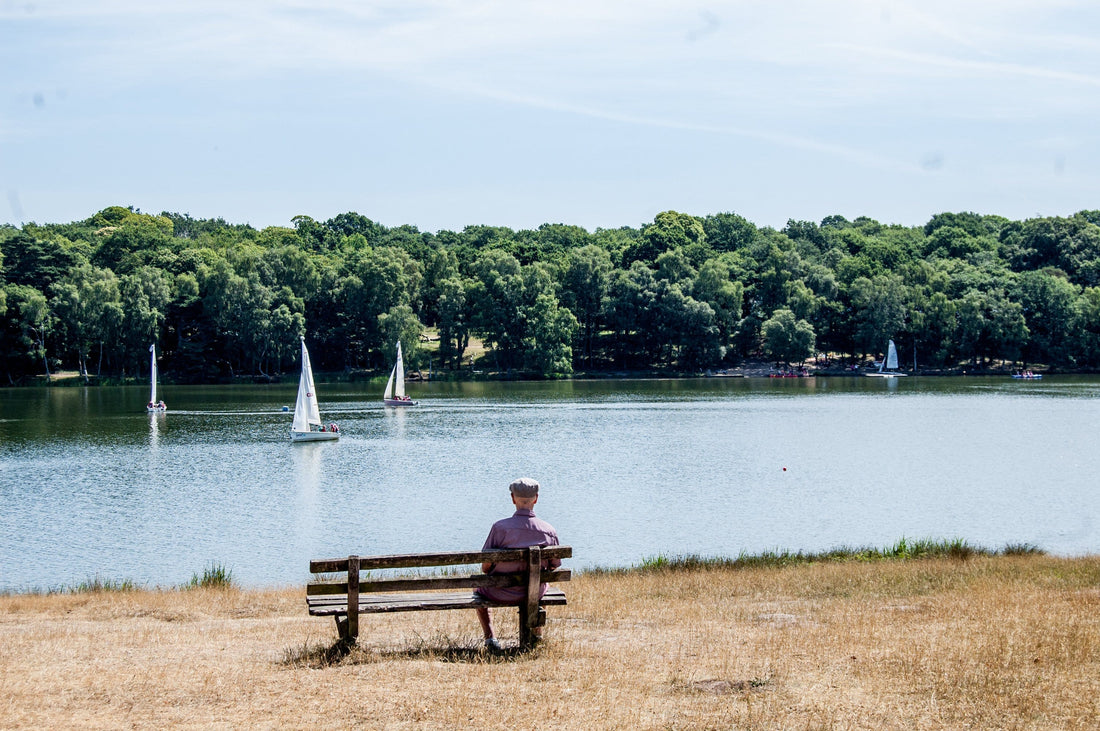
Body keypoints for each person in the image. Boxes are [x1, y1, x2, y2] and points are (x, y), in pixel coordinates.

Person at [474, 477, 560, 652]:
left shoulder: (500, 528)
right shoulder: (548, 530)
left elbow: (485, 567)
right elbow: (554, 565)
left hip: (499, 592)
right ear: (536, 498)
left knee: (478, 588)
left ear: (513, 498)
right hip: (533, 593)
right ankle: (536, 635)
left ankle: (491, 639)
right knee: (542, 583)